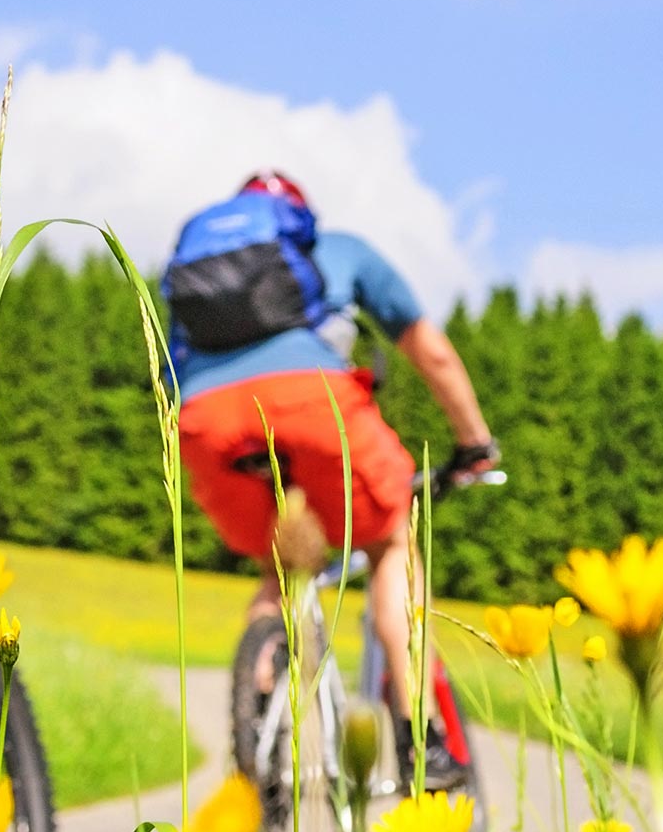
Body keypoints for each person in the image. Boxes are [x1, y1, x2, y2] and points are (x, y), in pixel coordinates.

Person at [166, 172, 499, 789]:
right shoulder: (337, 250)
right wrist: (473, 442)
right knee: (391, 540)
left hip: (208, 423)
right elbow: (433, 353)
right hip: (313, 407)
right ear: (298, 222)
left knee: (278, 570)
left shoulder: (201, 274)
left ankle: (258, 736)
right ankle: (418, 740)